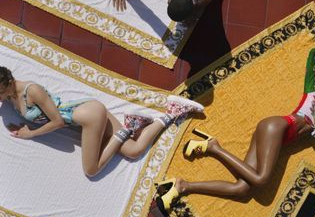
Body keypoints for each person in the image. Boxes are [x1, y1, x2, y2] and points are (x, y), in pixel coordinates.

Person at [155, 33, 315, 214]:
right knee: (262, 180)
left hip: (276, 137)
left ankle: (183, 186)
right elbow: (314, 55)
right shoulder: (312, 90)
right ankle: (213, 147)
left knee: (243, 190)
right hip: (279, 126)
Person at [0, 66, 203, 176]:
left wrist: (30, 134)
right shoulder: (10, 96)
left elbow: (58, 122)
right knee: (133, 151)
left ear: (8, 82)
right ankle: (171, 112)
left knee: (91, 170)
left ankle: (128, 129)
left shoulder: (31, 90)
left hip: (88, 117)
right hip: (89, 114)